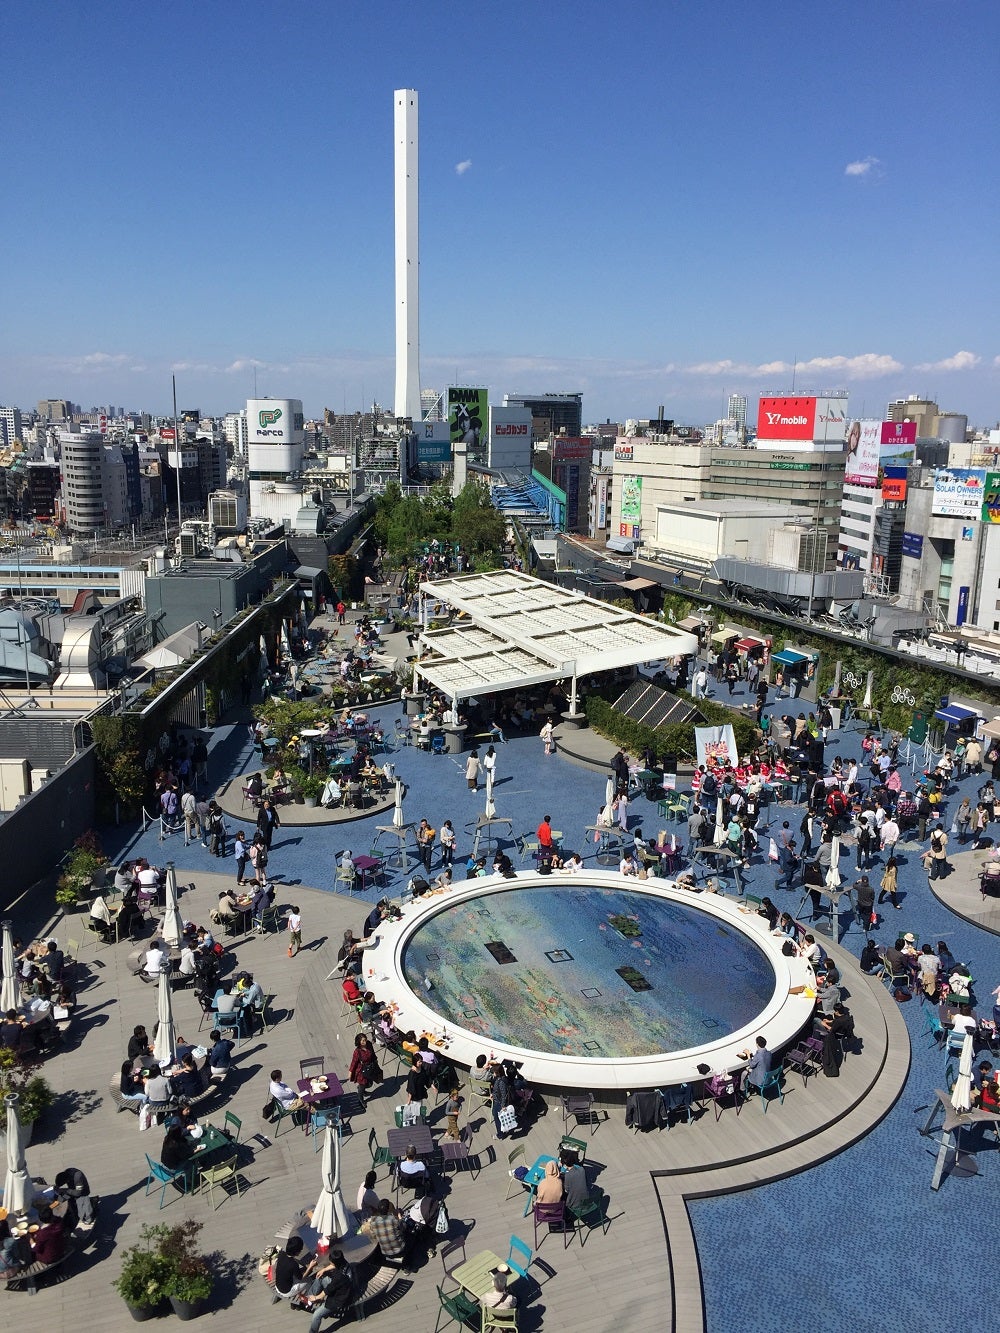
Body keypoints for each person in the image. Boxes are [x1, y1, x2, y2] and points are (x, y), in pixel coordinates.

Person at [366, 1198, 408, 1266]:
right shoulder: (394, 1219)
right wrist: (400, 1217)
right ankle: (407, 1265)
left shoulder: (373, 1221)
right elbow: (404, 1227)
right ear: (388, 1209)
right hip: (399, 1250)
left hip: (385, 1252)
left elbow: (373, 1236)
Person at [273, 1235, 311, 1301]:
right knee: (309, 1280)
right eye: (301, 1249)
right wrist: (310, 1266)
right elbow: (301, 1277)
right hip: (287, 1291)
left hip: (278, 1286)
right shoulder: (293, 1264)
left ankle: (299, 1295)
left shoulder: (282, 1254)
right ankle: (304, 1298)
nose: (301, 1250)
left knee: (296, 1273)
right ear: (296, 1252)